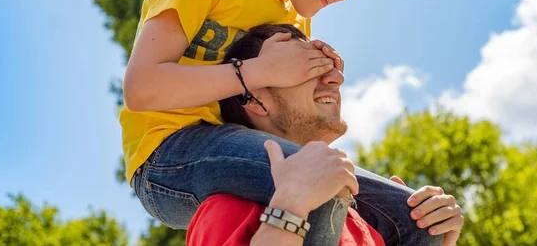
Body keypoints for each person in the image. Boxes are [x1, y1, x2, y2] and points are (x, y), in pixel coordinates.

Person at [122, 0, 419, 245]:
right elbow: (140, 88)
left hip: (240, 148)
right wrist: (257, 71)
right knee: (315, 182)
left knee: (414, 217)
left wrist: (320, 83)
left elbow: (285, 128)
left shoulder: (296, 21)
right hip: (166, 157)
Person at [185, 24, 464, 246]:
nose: (335, 78)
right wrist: (290, 207)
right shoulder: (226, 210)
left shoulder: (366, 223)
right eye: (307, 68)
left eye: (328, 67)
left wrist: (437, 238)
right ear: (257, 100)